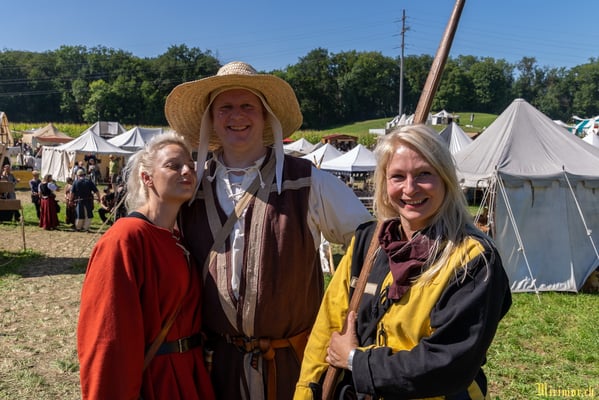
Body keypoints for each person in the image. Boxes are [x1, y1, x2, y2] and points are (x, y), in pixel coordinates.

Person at [165, 61, 373, 400]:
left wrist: (347, 320)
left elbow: (371, 245)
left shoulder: (307, 181)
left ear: (265, 116)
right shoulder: (191, 188)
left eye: (248, 106)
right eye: (225, 107)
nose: (237, 116)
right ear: (211, 119)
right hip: (215, 367)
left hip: (293, 366)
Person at [294, 125, 512, 400]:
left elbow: (448, 363)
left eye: (424, 174)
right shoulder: (367, 243)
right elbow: (327, 326)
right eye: (398, 176)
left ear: (445, 178)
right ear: (384, 183)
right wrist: (306, 391)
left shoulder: (473, 259)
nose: (410, 188)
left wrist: (355, 360)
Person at [77, 132, 215, 400]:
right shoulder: (125, 238)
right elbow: (106, 337)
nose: (187, 171)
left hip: (189, 376)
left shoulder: (179, 239)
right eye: (174, 165)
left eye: (190, 165)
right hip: (155, 381)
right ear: (147, 177)